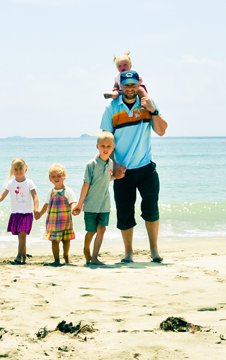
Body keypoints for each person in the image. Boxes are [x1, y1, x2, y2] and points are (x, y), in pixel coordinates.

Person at [100, 69, 168, 263]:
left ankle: (154, 250)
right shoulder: (111, 108)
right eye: (126, 85)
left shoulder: (147, 102)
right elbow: (106, 140)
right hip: (122, 171)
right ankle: (128, 253)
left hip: (146, 168)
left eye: (133, 85)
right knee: (124, 213)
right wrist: (113, 165)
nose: (130, 89)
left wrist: (153, 109)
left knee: (151, 210)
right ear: (120, 87)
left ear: (139, 85)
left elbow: (161, 131)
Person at [72, 131, 124, 265]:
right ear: (97, 147)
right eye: (103, 146)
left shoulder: (111, 163)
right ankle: (86, 248)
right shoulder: (91, 164)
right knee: (91, 230)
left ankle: (94, 257)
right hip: (90, 204)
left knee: (101, 229)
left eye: (108, 146)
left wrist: (116, 176)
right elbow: (86, 184)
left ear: (113, 148)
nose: (105, 149)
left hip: (104, 204)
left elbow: (107, 178)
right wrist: (80, 204)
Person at [0, 158, 39, 265]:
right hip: (15, 213)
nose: (18, 171)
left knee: (22, 234)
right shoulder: (11, 183)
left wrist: (36, 209)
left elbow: (35, 197)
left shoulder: (29, 182)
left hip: (27, 213)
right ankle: (24, 256)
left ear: (25, 169)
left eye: (20, 168)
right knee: (21, 237)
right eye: (16, 169)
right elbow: (2, 196)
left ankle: (19, 256)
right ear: (12, 171)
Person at [35, 164, 77, 266]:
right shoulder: (51, 192)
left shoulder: (68, 190)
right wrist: (40, 213)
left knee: (66, 240)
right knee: (54, 241)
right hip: (53, 222)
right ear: (50, 179)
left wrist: (73, 209)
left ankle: (66, 256)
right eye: (53, 177)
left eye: (58, 176)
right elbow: (46, 204)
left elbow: (73, 202)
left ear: (64, 176)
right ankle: (56, 259)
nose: (56, 178)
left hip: (65, 221)